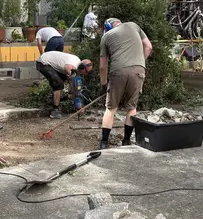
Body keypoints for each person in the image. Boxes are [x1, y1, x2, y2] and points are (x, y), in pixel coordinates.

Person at [99, 18, 153, 149]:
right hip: (139, 70)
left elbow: (102, 66)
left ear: (108, 26)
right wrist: (140, 61)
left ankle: (104, 143)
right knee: (131, 107)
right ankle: (126, 141)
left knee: (111, 108)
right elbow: (149, 47)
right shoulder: (134, 26)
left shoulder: (106, 36)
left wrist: (104, 83)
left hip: (118, 71)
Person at [36, 51, 93, 119]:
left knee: (61, 80)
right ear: (82, 67)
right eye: (86, 72)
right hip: (43, 62)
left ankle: (52, 99)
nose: (85, 74)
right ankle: (55, 111)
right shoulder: (73, 65)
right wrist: (78, 105)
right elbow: (67, 68)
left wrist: (77, 104)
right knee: (59, 84)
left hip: (48, 63)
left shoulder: (76, 65)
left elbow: (72, 87)